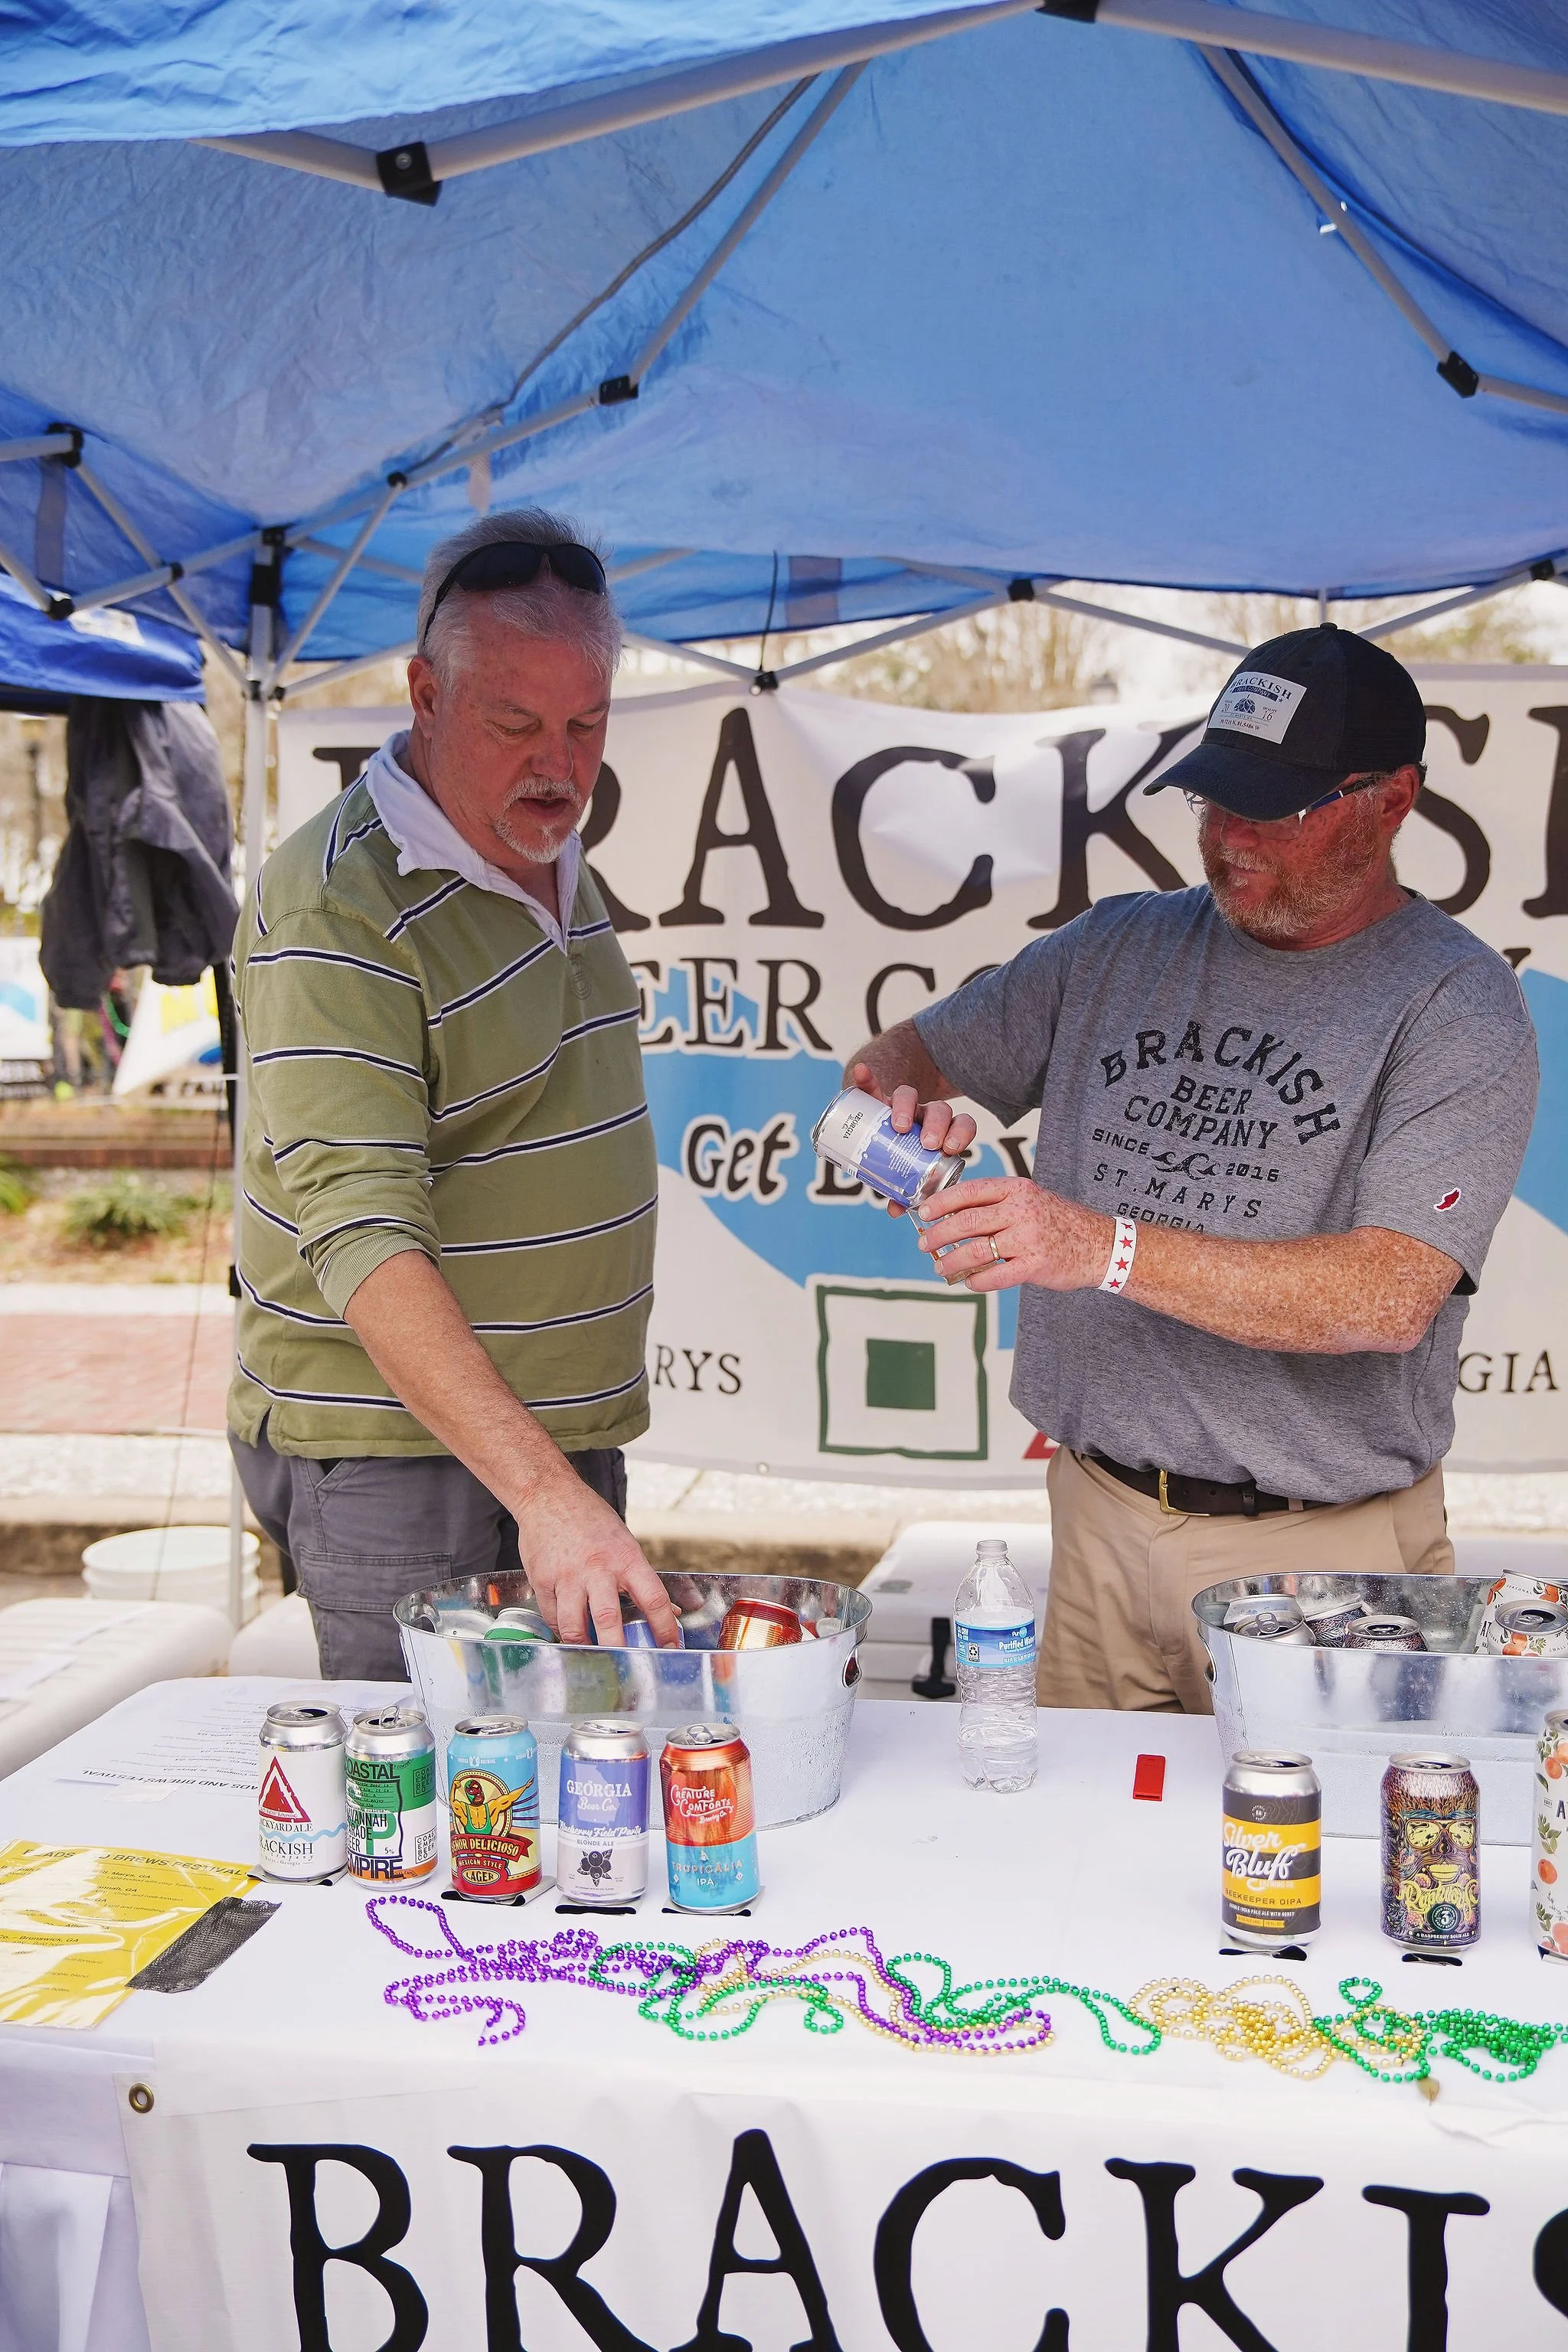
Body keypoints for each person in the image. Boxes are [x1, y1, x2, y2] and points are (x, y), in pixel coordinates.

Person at [847, 625, 1538, 1713]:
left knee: (1325, 1867)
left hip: (1327, 1563)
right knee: (1082, 1866)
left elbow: (1392, 1294)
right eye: (1215, 801)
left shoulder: (1455, 1004)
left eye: (1275, 810)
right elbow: (901, 1057)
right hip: (1098, 1530)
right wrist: (894, 1110)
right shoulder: (1116, 946)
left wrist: (1099, 1247)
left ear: (1392, 800)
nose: (1230, 842)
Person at [228, 507, 678, 1675]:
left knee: (560, 1804)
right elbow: (360, 1232)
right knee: (427, 1819)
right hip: (400, 1457)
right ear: (425, 695)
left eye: (587, 725)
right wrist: (546, 1494)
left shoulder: (541, 855)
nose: (560, 767)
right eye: (515, 722)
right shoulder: (341, 904)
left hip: (546, 1445)